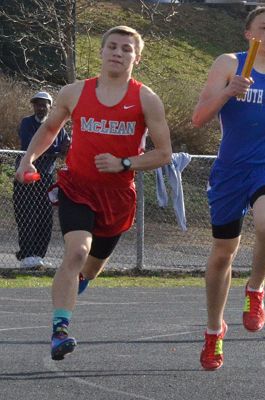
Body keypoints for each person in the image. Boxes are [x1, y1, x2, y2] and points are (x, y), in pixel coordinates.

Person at [15, 25, 172, 361]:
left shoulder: (146, 99)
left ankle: (75, 283)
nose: (118, 52)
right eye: (112, 46)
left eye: (126, 49)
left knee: (90, 267)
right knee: (75, 253)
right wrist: (28, 158)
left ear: (137, 58)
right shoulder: (74, 92)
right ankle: (60, 331)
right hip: (76, 187)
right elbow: (49, 128)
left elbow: (163, 154)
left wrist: (124, 162)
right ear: (101, 52)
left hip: (116, 198)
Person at [191, 6, 265, 371]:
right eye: (264, 27)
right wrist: (229, 91)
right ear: (249, 33)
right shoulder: (229, 63)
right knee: (223, 254)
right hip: (230, 170)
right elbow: (198, 118)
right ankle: (214, 331)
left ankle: (256, 290)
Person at [13, 91, 69, 268]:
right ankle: (27, 255)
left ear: (50, 106)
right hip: (26, 177)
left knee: (44, 217)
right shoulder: (27, 123)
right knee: (26, 215)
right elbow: (33, 144)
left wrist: (64, 148)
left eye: (43, 104)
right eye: (37, 104)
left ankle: (38, 255)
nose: (40, 107)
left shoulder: (58, 127)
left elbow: (65, 146)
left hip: (45, 177)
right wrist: (55, 149)